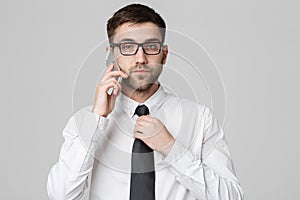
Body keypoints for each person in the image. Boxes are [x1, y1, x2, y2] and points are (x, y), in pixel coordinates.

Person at [47, 3, 244, 200]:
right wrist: (97, 119)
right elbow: (61, 195)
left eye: (150, 46)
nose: (140, 58)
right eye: (128, 47)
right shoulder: (83, 122)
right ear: (111, 54)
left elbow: (232, 197)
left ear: (164, 54)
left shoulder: (200, 119)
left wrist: (172, 149)